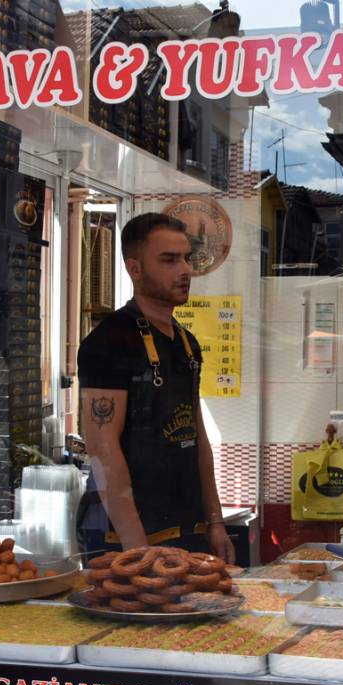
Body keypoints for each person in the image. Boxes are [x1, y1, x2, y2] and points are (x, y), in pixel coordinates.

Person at [76, 213, 234, 563]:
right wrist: (137, 552)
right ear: (134, 268)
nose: (185, 270)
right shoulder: (108, 342)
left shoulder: (187, 343)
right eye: (169, 260)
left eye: (186, 258)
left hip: (188, 528)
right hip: (122, 537)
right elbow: (103, 451)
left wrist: (215, 522)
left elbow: (198, 437)